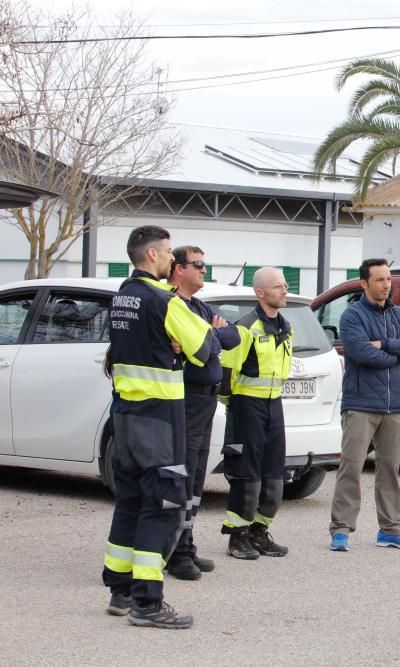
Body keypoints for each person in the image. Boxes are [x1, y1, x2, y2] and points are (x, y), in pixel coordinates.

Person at [102, 225, 213, 629]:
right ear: (152, 255)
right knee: (164, 504)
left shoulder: (122, 297)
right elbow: (206, 349)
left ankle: (120, 590)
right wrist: (191, 341)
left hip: (126, 414)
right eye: (168, 253)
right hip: (160, 419)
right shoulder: (162, 300)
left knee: (130, 500)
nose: (171, 259)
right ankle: (147, 602)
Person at [328, 258, 400, 552]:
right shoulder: (352, 316)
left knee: (390, 469)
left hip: (395, 406)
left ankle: (391, 530)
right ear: (364, 284)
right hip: (361, 405)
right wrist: (397, 348)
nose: (386, 285)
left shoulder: (399, 314)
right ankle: (341, 529)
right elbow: (362, 354)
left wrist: (384, 344)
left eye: (388, 280)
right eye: (380, 280)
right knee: (351, 467)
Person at [164, 246, 240, 579]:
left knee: (196, 476)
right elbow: (209, 344)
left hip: (208, 398)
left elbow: (233, 336)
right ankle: (174, 551)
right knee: (182, 473)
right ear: (178, 269)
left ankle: (187, 545)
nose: (204, 270)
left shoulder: (200, 305)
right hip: (187, 397)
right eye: (198, 265)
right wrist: (213, 333)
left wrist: (212, 334)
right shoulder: (173, 304)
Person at [219, 267, 294, 559]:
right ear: (260, 293)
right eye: (278, 287)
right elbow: (226, 373)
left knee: (274, 475)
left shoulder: (286, 327)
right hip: (246, 405)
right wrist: (232, 405)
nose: (284, 290)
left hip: (274, 404)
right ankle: (236, 536)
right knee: (246, 475)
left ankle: (259, 532)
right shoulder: (245, 328)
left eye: (285, 286)